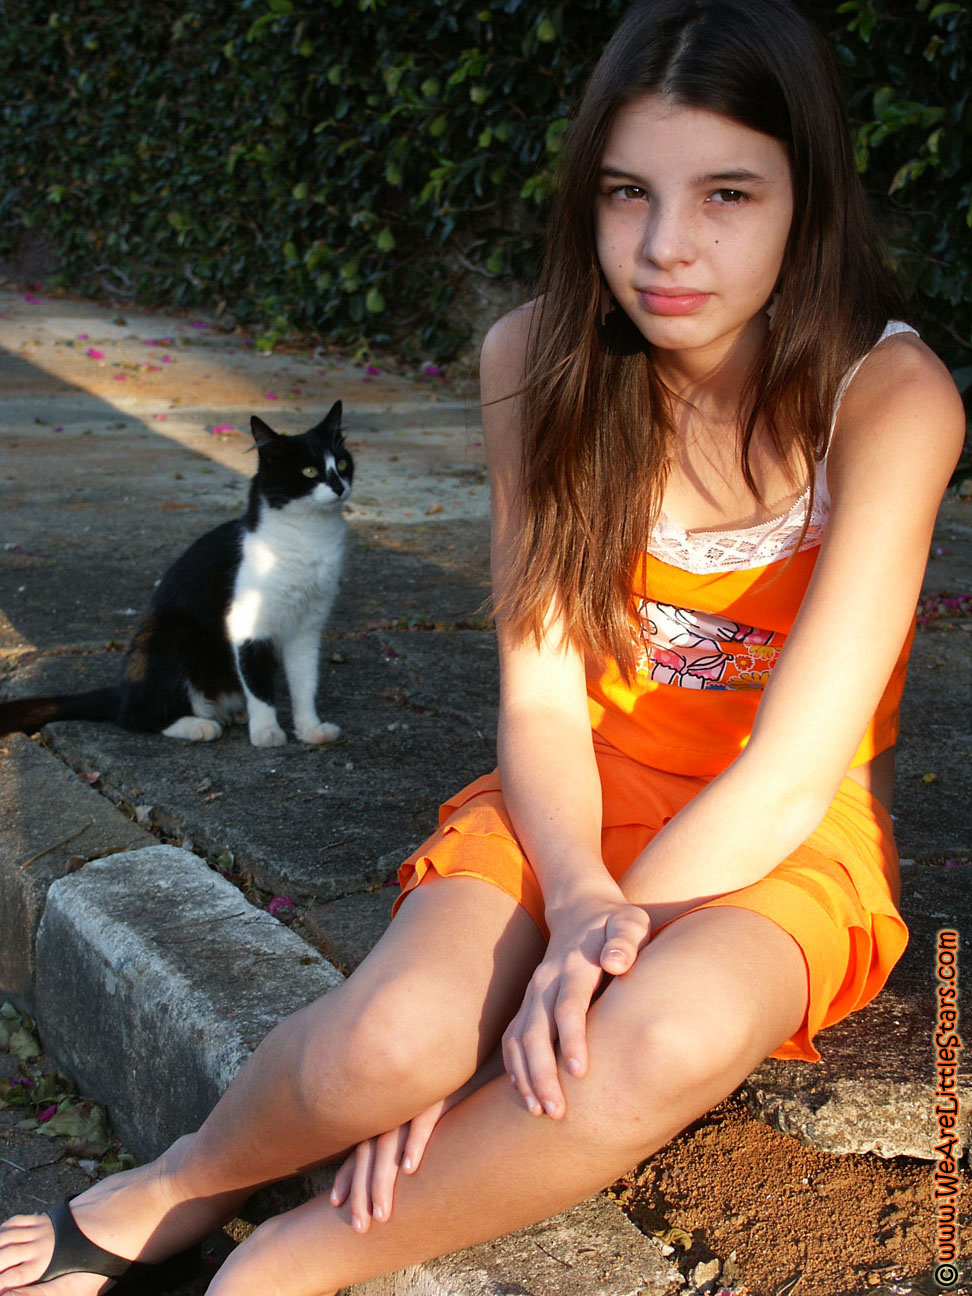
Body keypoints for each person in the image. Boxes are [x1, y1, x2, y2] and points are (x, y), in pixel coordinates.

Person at [0, 0, 964, 1292]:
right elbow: (547, 705)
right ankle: (178, 1181)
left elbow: (794, 772)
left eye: (728, 193)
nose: (666, 247)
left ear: (810, 201)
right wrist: (574, 909)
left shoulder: (888, 397)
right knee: (389, 1046)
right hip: (574, 793)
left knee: (655, 1034)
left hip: (783, 833)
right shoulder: (534, 360)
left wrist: (585, 962)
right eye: (628, 192)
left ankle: (284, 1261)